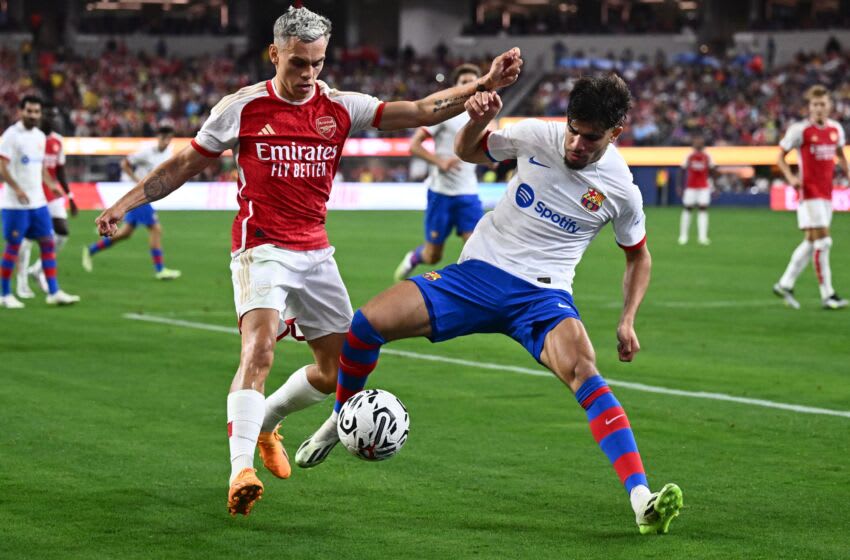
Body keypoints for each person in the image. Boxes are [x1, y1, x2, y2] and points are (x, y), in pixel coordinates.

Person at [93, 6, 522, 517]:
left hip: (316, 252)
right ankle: (240, 470)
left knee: (337, 370)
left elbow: (423, 110)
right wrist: (123, 204)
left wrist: (487, 82)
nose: (308, 73)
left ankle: (268, 424)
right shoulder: (241, 107)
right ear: (274, 54)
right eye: (298, 62)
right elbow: (183, 165)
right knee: (259, 350)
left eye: (317, 62)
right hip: (260, 248)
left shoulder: (340, 106)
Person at [297, 75, 683, 535]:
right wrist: (477, 122)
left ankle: (641, 500)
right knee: (366, 324)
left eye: (591, 137)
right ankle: (340, 417)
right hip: (477, 275)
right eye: (573, 130)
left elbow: (638, 256)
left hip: (542, 297)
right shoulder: (536, 134)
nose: (577, 144)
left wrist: (627, 319)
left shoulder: (622, 191)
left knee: (585, 371)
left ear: (615, 133)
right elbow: (468, 151)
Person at [393, 63, 485, 282]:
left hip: (468, 194)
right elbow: (414, 145)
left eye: (473, 81)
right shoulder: (444, 112)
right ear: (457, 86)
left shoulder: (484, 115)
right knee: (433, 256)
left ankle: (465, 292)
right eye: (464, 82)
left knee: (476, 250)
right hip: (441, 193)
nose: (469, 85)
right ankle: (413, 258)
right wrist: (440, 162)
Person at [773, 85, 848, 310]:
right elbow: (780, 157)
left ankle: (784, 284)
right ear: (809, 107)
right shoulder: (800, 130)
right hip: (809, 192)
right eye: (815, 104)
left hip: (827, 193)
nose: (819, 108)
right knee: (824, 242)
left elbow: (840, 155)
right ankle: (828, 294)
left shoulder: (836, 129)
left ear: (830, 106)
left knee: (811, 242)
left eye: (822, 104)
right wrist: (791, 178)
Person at [0, 95, 79, 308]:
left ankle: (53, 292)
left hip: (38, 202)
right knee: (13, 247)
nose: (33, 115)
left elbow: (40, 166)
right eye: (29, 111)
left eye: (36, 112)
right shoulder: (11, 136)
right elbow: (2, 166)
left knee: (48, 243)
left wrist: (51, 183)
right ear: (20, 111)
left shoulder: (39, 137)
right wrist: (16, 188)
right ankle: (4, 294)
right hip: (15, 205)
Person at [82, 120, 182, 280]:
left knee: (125, 233)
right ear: (158, 137)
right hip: (139, 195)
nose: (166, 141)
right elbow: (125, 163)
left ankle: (91, 249)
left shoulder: (167, 154)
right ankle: (160, 270)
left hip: (148, 196)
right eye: (164, 137)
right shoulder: (146, 152)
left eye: (169, 138)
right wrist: (137, 181)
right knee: (156, 229)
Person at [677, 136, 717, 245]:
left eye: (700, 142)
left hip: (704, 187)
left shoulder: (708, 156)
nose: (698, 144)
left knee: (703, 210)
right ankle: (683, 236)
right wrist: (679, 186)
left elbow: (713, 170)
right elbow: (681, 171)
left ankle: (702, 237)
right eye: (696, 142)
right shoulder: (689, 155)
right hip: (691, 187)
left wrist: (715, 186)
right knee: (687, 209)